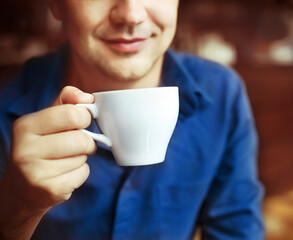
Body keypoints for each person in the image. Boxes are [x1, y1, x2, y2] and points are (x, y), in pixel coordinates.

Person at [0, 0, 264, 239]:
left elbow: (236, 233)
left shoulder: (222, 94)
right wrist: (17, 213)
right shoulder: (6, 108)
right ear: (56, 4)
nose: (131, 15)